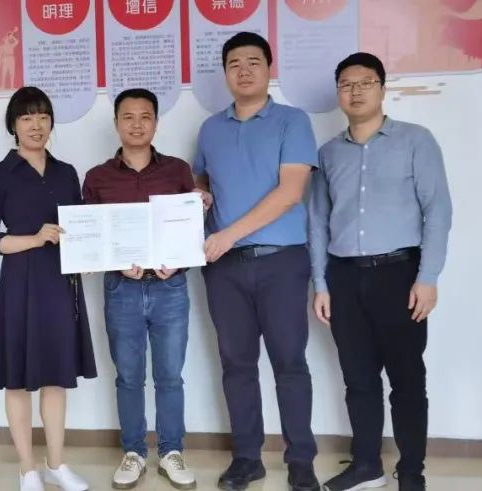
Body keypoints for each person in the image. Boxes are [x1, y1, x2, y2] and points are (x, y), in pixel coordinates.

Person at [309, 52, 452, 491]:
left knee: (407, 379)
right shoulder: (328, 154)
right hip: (344, 277)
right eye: (346, 84)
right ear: (338, 93)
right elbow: (317, 221)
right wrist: (321, 284)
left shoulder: (416, 141)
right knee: (358, 379)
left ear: (382, 89)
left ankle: (411, 471)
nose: (355, 91)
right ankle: (366, 465)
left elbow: (438, 210)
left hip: (399, 276)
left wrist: (427, 278)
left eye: (365, 83)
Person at [192, 31, 321, 491]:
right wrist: (200, 197)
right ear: (225, 73)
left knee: (290, 362)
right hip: (224, 269)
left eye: (253, 62)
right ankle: (247, 458)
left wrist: (228, 234)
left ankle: (301, 459)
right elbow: (200, 183)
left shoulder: (292, 121)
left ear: (269, 68)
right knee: (236, 364)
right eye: (234, 64)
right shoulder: (210, 129)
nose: (243, 71)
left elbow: (291, 192)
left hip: (281, 262)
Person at [82, 88, 211, 490]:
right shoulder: (97, 178)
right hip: (121, 289)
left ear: (156, 122)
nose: (137, 124)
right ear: (116, 123)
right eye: (128, 116)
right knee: (128, 376)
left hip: (170, 288)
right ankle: (134, 452)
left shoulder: (177, 171)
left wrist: (181, 255)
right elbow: (90, 238)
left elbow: (189, 229)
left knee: (170, 376)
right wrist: (117, 262)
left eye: (145, 116)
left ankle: (171, 451)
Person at [0, 86, 96, 491]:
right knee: (17, 378)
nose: (36, 125)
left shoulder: (66, 172)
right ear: (13, 125)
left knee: (56, 375)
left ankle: (56, 464)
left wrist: (92, 253)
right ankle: (27, 468)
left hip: (61, 282)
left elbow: (81, 229)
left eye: (42, 116)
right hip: (20, 283)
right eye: (26, 117)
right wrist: (35, 238)